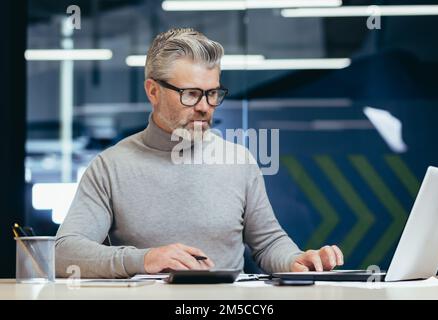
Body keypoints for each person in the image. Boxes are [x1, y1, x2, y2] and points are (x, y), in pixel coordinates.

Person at [55, 28, 344, 278]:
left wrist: (295, 260)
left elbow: (268, 244)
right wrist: (143, 260)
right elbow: (62, 253)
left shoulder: (238, 161)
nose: (206, 107)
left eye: (213, 93)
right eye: (191, 94)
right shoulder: (110, 166)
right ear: (153, 91)